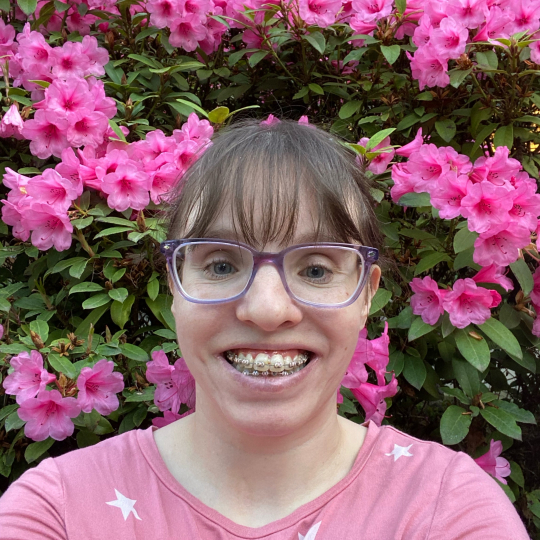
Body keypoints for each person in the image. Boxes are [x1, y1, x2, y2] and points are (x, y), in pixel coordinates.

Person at [0, 119, 530, 539]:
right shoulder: (60, 512)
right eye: (222, 265)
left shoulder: (450, 511)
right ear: (174, 283)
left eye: (318, 269)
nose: (268, 310)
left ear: (367, 294)